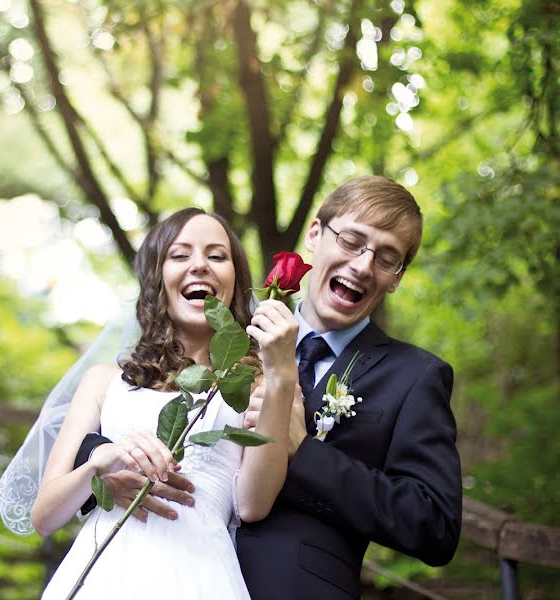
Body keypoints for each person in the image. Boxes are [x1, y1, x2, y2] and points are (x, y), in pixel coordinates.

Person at [76, 176, 463, 599]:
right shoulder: (224, 330)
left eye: (387, 258)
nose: (363, 265)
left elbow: (434, 525)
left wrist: (304, 450)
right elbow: (134, 395)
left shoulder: (414, 376)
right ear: (315, 234)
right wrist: (99, 455)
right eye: (352, 241)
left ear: (396, 277)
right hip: (162, 576)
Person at [32, 208, 298, 599]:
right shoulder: (103, 382)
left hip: (200, 577)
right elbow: (45, 517)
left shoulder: (260, 382)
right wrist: (97, 465)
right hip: (101, 576)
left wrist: (282, 374)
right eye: (180, 255)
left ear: (236, 279)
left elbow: (253, 505)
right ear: (157, 277)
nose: (200, 266)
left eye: (216, 255)